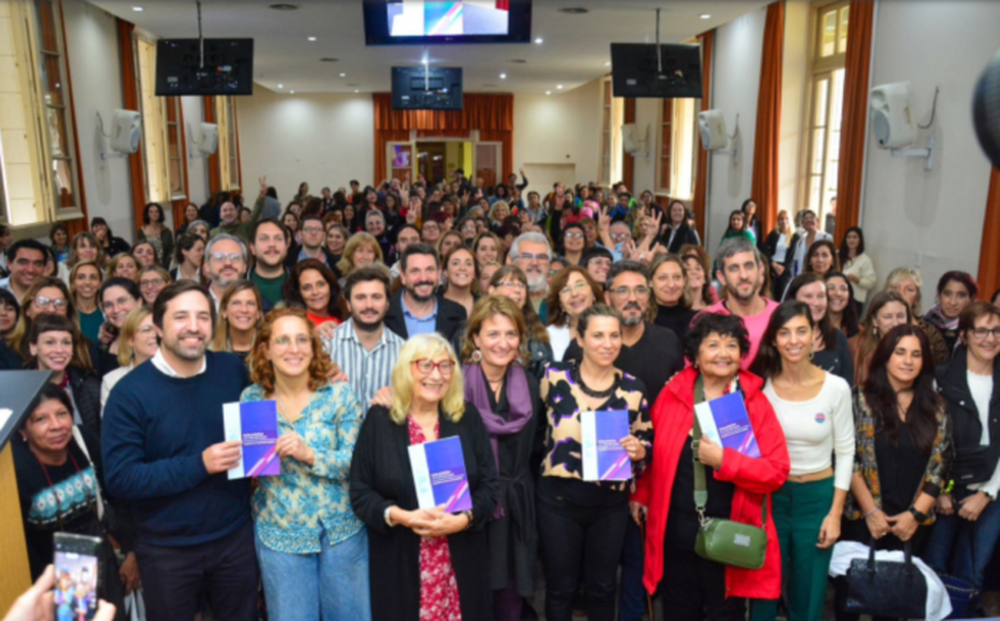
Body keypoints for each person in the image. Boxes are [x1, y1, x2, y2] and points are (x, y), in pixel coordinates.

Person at [102, 281, 259, 621]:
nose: (193, 327)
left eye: (203, 317)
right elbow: (121, 478)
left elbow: (265, 415)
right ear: (158, 327)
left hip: (234, 538)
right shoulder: (129, 394)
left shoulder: (232, 370)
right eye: (181, 317)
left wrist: (323, 377)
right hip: (166, 551)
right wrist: (199, 464)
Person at [632, 312, 790, 621]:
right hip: (676, 533)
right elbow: (656, 455)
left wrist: (725, 461)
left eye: (731, 345)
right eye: (713, 344)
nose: (723, 353)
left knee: (724, 613)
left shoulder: (754, 402)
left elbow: (776, 471)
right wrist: (641, 495)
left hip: (729, 535)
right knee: (678, 610)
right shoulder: (674, 393)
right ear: (695, 354)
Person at [349, 333, 499, 621]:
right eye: (426, 365)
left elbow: (490, 488)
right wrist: (403, 517)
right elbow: (360, 492)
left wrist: (463, 520)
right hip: (400, 560)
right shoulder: (380, 421)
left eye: (445, 366)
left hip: (461, 559)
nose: (437, 375)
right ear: (407, 369)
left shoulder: (466, 418)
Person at [565, 261, 685, 621]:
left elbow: (674, 414)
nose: (632, 299)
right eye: (622, 290)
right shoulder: (582, 347)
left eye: (640, 291)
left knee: (637, 570)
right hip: (597, 481)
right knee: (596, 577)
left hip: (653, 475)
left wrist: (644, 486)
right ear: (607, 295)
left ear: (649, 296)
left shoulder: (667, 342)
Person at [241, 307, 369, 620]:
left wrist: (308, 453)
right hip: (280, 533)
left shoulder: (339, 394)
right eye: (282, 340)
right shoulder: (252, 399)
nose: (294, 348)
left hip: (342, 534)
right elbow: (253, 471)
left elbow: (358, 462)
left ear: (314, 348)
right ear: (265, 349)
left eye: (302, 340)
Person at [537, 305, 651, 621]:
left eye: (614, 335)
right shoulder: (552, 376)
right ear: (580, 338)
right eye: (598, 335)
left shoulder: (633, 388)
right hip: (557, 501)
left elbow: (647, 443)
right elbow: (531, 431)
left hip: (609, 505)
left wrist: (639, 452)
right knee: (561, 588)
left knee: (603, 588)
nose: (607, 343)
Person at [748, 302, 854, 621]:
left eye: (801, 331)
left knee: (808, 596)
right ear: (774, 340)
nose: (793, 340)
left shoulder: (836, 388)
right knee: (763, 592)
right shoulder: (759, 387)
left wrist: (835, 514)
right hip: (771, 498)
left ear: (814, 336)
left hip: (818, 499)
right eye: (784, 332)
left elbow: (846, 451)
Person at [838, 325, 953, 619]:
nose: (908, 361)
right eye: (900, 352)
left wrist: (915, 516)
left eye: (916, 354)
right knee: (850, 601)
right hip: (863, 520)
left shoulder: (936, 407)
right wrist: (871, 512)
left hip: (911, 524)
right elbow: (847, 457)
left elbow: (942, 464)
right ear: (885, 356)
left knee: (895, 606)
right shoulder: (859, 399)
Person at [13, 384, 132, 618]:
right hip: (55, 579)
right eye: (41, 419)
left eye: (62, 414)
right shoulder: (17, 468)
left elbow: (118, 496)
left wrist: (131, 550)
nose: (56, 426)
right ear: (23, 430)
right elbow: (21, 544)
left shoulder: (83, 440)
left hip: (103, 562)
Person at [460, 296, 543, 621]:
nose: (502, 343)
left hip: (516, 505)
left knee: (510, 594)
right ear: (476, 337)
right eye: (493, 334)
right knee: (474, 590)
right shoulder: (453, 385)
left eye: (511, 334)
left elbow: (538, 444)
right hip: (470, 505)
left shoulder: (532, 385)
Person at [924, 302, 1000, 593]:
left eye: (996, 331)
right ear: (965, 335)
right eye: (981, 331)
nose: (990, 339)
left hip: (991, 492)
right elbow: (930, 440)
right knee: (933, 571)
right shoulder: (940, 379)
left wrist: (986, 493)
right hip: (947, 485)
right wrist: (941, 489)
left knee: (973, 577)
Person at [325, 266, 404, 411]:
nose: (369, 305)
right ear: (348, 304)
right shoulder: (326, 345)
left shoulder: (403, 351)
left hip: (383, 433)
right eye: (360, 298)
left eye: (376, 297)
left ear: (387, 304)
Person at [703, 238, 779, 368]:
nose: (743, 275)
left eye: (748, 266)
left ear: (760, 270)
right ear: (722, 277)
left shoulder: (781, 316)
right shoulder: (705, 321)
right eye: (734, 268)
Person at [27, 315, 102, 433]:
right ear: (33, 347)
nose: (59, 350)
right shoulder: (19, 389)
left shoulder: (89, 386)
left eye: (66, 343)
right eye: (50, 342)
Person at [384, 243, 468, 341]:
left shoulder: (457, 313)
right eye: (415, 271)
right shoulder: (385, 310)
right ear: (403, 276)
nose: (423, 278)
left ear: (438, 273)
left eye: (429, 270)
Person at [487, 265, 553, 381]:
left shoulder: (538, 335)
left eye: (521, 286)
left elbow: (546, 379)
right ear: (492, 291)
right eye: (510, 284)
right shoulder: (471, 330)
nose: (517, 290)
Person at [786, 273, 855, 384]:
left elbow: (847, 383)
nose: (816, 303)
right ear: (793, 300)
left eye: (821, 296)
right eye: (808, 296)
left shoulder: (838, 336)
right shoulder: (781, 337)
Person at [884, 266, 952, 365]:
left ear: (917, 299)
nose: (901, 294)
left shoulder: (931, 334)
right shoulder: (870, 326)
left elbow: (941, 369)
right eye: (895, 288)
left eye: (909, 290)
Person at [849, 290, 911, 386]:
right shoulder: (854, 346)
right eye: (887, 317)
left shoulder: (918, 347)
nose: (895, 323)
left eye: (900, 316)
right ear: (875, 321)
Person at [100, 307, 157, 412]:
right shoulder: (112, 380)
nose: (155, 335)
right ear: (130, 339)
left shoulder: (179, 373)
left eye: (158, 329)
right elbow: (112, 425)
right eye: (146, 330)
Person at [544, 266, 602, 362]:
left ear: (594, 294)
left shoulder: (614, 327)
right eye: (566, 290)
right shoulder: (549, 335)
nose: (574, 294)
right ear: (560, 304)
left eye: (579, 285)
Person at [925, 270, 978, 355]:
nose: (953, 302)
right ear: (939, 295)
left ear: (971, 298)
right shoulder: (925, 322)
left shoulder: (978, 328)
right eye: (947, 294)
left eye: (961, 295)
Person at [97, 278, 142, 375]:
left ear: (139, 302)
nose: (116, 310)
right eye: (108, 305)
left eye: (122, 301)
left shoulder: (154, 339)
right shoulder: (105, 343)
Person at [283, 258, 346, 327]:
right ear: (298, 293)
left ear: (330, 286)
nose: (315, 292)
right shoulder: (293, 324)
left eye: (320, 284)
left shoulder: (346, 316)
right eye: (307, 287)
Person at [210, 280, 262, 361]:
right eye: (236, 303)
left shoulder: (269, 349)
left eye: (250, 303)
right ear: (224, 311)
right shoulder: (209, 352)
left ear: (258, 312)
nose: (244, 310)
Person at [650, 254, 697, 341]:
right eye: (663, 278)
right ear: (650, 282)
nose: (671, 284)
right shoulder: (642, 321)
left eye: (677, 277)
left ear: (684, 281)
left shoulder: (696, 320)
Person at [510, 232, 552, 320]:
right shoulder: (502, 301)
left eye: (541, 257)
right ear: (514, 263)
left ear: (548, 264)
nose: (534, 262)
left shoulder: (560, 300)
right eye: (527, 256)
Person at [204, 234, 248, 311]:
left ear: (244, 266)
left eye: (235, 258)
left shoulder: (259, 305)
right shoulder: (194, 302)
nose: (228, 263)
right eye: (219, 257)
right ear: (207, 267)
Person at [763, 210, 800, 300]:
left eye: (786, 218)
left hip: (786, 270)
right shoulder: (774, 234)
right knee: (769, 294)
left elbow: (793, 256)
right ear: (778, 221)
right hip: (772, 266)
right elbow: (764, 249)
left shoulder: (796, 236)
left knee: (782, 297)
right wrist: (773, 264)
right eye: (781, 219)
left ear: (790, 220)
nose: (784, 221)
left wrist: (782, 269)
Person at [839, 227, 877, 313]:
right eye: (849, 237)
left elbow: (871, 282)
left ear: (860, 240)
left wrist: (857, 280)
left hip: (855, 301)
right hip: (837, 297)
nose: (851, 240)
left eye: (855, 237)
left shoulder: (865, 260)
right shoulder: (838, 256)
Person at [1, 239, 47, 303]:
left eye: (37, 264)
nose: (30, 270)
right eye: (23, 263)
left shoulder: (52, 294)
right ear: (9, 264)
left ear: (44, 268)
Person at [70, 261, 103, 344]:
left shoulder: (108, 313)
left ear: (100, 284)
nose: (87, 282)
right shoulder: (65, 313)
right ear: (73, 283)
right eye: (81, 277)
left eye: (93, 277)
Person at [441, 246, 478, 318]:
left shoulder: (484, 305)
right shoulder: (433, 303)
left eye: (468, 264)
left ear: (474, 272)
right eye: (455, 263)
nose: (462, 268)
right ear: (445, 271)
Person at [136, 202, 174, 267]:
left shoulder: (166, 231)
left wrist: (165, 265)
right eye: (151, 212)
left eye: (156, 212)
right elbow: (140, 249)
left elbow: (171, 249)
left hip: (165, 264)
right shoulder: (142, 231)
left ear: (160, 214)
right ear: (147, 214)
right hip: (148, 265)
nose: (154, 214)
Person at [825, 272, 861, 338]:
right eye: (831, 288)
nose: (838, 293)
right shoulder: (810, 328)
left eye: (843, 289)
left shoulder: (858, 334)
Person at [680, 245, 715, 311]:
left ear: (705, 279)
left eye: (698, 269)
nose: (693, 272)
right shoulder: (674, 311)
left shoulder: (713, 311)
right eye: (688, 269)